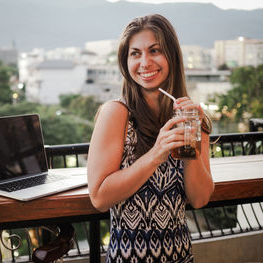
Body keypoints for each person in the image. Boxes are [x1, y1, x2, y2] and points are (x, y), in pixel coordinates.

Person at [87, 14, 214, 262]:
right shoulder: (117, 113)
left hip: (181, 256)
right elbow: (99, 197)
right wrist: (156, 154)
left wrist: (191, 142)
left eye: (154, 50)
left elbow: (199, 199)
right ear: (126, 62)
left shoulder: (190, 117)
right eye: (135, 53)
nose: (145, 62)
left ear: (171, 56)